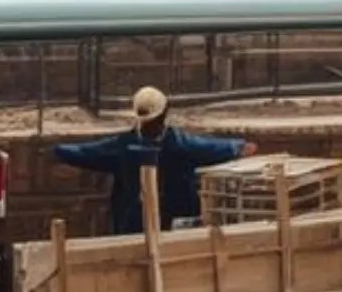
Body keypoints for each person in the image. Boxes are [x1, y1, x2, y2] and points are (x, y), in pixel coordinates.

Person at [53, 86, 257, 235]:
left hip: (133, 225)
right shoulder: (179, 145)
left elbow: (87, 152)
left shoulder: (123, 147)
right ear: (165, 112)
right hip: (174, 226)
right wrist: (237, 147)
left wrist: (59, 151)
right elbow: (210, 148)